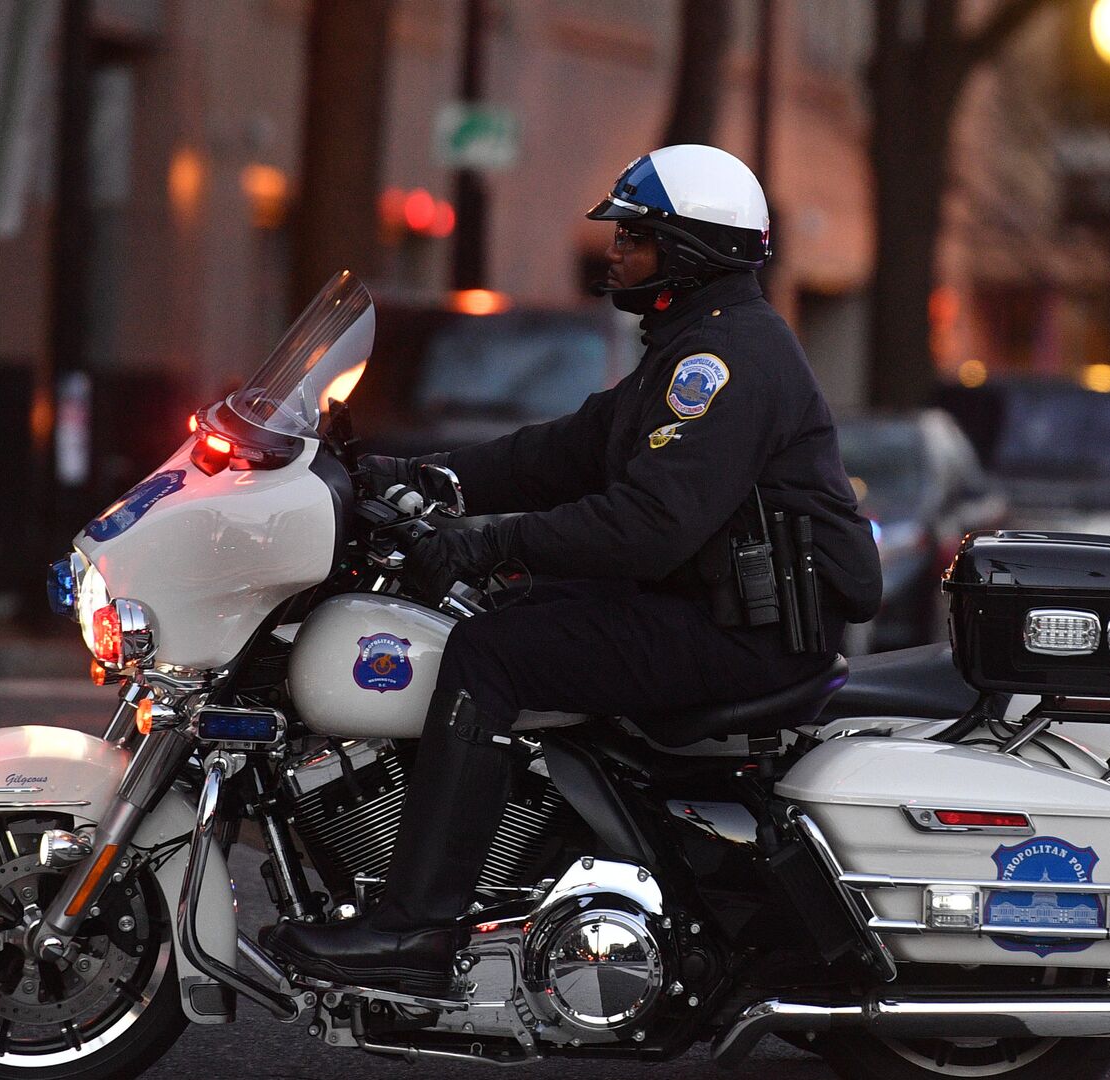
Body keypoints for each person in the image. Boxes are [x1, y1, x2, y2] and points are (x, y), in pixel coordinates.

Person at [264, 144, 882, 993]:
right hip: (709, 612)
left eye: (636, 235)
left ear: (693, 250)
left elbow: (651, 526)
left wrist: (488, 543)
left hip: (743, 633)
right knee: (495, 611)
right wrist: (429, 478)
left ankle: (419, 925)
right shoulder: (697, 342)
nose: (615, 251)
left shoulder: (724, 362)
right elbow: (570, 449)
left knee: (492, 653)